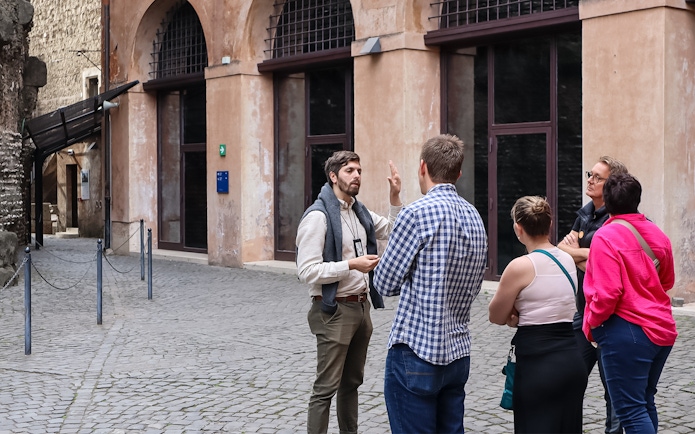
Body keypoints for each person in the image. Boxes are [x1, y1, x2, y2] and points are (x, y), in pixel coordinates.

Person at [372, 134, 488, 434]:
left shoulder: (417, 213)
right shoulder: (475, 216)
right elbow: (474, 284)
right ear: (458, 173)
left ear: (422, 167)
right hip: (458, 351)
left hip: (416, 351)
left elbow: (384, 282)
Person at [296, 150, 402, 434]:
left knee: (351, 384)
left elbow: (393, 229)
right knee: (325, 388)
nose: (356, 176)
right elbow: (306, 271)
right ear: (333, 177)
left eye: (359, 171)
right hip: (332, 311)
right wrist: (351, 265)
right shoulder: (317, 217)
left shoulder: (359, 211)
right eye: (349, 171)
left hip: (361, 308)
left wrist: (394, 196)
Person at [583, 173, 676, 434]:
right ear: (637, 200)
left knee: (631, 410)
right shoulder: (658, 235)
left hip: (627, 331)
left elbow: (608, 294)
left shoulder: (605, 236)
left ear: (608, 204)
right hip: (661, 329)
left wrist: (591, 323)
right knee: (644, 402)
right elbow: (666, 281)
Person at [489, 196, 587, 434]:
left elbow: (495, 315)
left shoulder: (519, 266)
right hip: (572, 361)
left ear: (518, 228)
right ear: (549, 224)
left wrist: (514, 314)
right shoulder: (567, 259)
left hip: (538, 365)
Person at [558, 156, 628, 434]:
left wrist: (581, 254)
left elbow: (599, 261)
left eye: (597, 177)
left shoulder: (616, 220)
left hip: (611, 316)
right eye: (591, 174)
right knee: (569, 380)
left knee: (614, 388)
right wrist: (583, 256)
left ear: (611, 184)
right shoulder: (585, 212)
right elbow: (564, 248)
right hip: (583, 313)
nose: (590, 179)